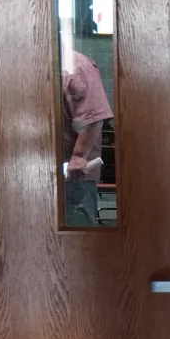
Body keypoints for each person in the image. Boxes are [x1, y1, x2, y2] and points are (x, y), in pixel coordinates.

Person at [62, 50, 114, 227]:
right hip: (39, 175)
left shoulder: (77, 65)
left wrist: (79, 155)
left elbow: (93, 116)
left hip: (73, 175)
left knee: (76, 238)